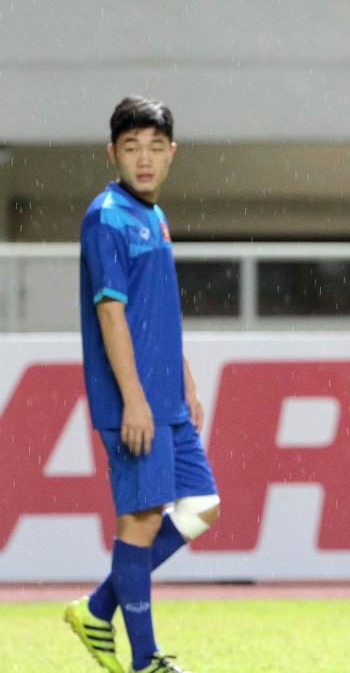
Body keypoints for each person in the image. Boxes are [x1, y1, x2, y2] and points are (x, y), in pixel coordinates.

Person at [65, 96, 220, 673]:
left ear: (172, 152)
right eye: (132, 147)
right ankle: (145, 659)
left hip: (167, 399)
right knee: (142, 518)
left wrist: (185, 382)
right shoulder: (105, 215)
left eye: (155, 146)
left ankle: (98, 607)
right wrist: (133, 398)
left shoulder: (153, 216)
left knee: (202, 505)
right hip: (133, 401)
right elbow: (112, 314)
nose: (145, 158)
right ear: (113, 153)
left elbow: (159, 309)